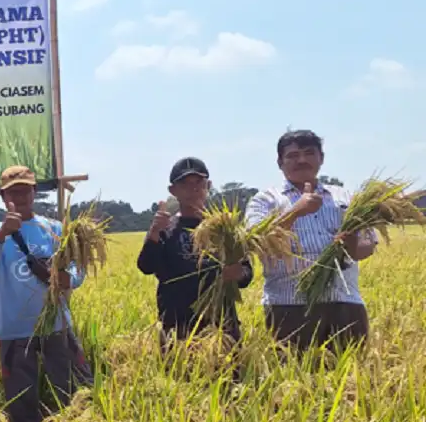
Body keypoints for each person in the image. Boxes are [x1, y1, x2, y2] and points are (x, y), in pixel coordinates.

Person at [0, 165, 93, 422]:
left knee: (68, 389)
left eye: (25, 189)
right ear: (3, 196)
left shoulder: (54, 228)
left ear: (34, 192)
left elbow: (77, 267)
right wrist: (4, 233)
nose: (20, 195)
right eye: (13, 191)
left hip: (55, 324)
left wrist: (69, 278)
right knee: (21, 395)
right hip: (14, 328)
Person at [245, 129, 377, 354]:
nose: (302, 160)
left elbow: (368, 245)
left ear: (321, 158)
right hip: (289, 306)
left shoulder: (346, 198)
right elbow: (255, 243)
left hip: (345, 302)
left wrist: (351, 244)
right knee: (294, 379)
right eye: (293, 155)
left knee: (351, 377)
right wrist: (296, 211)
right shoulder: (265, 200)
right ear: (280, 162)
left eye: (309, 153)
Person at [137, 157, 253, 355]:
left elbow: (247, 274)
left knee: (228, 381)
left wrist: (238, 273)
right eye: (185, 184)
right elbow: (146, 266)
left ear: (208, 186)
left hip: (221, 326)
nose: (193, 189)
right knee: (179, 382)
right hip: (177, 326)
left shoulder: (225, 229)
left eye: (199, 183)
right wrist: (154, 232)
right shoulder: (166, 229)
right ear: (173, 191)